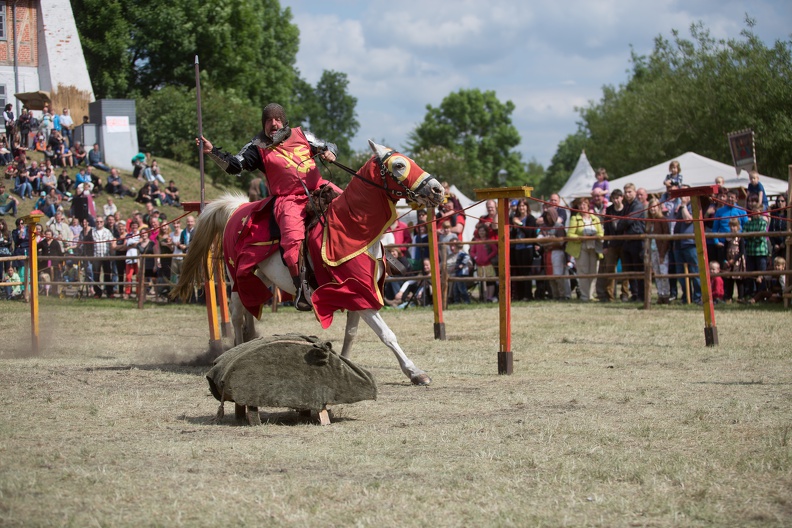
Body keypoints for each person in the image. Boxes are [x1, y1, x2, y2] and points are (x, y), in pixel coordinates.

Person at [198, 104, 339, 310]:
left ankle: (378, 257)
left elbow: (328, 146)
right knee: (292, 240)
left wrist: (330, 153)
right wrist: (212, 152)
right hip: (288, 200)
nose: (274, 124)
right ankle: (302, 288)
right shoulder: (257, 146)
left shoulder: (302, 135)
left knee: (352, 205)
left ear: (284, 121)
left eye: (277, 119)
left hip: (320, 188)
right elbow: (236, 165)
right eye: (268, 120)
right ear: (263, 124)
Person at [566, 196, 603, 302]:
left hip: (594, 246)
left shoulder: (595, 218)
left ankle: (591, 295)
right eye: (580, 204)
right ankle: (584, 296)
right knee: (583, 272)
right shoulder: (575, 218)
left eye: (584, 204)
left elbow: (601, 232)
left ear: (588, 205)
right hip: (581, 246)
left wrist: (596, 236)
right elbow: (570, 234)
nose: (582, 206)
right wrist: (582, 237)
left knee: (593, 271)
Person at [617, 183, 646, 302]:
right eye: (626, 192)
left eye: (629, 192)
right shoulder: (627, 206)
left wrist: (622, 221)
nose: (627, 194)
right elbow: (621, 224)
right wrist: (623, 222)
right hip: (628, 240)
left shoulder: (637, 205)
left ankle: (641, 295)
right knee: (629, 269)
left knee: (638, 269)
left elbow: (629, 220)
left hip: (637, 240)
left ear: (634, 192)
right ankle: (634, 294)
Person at [672, 187, 701, 304]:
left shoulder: (694, 205)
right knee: (681, 274)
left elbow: (688, 219)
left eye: (685, 193)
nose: (682, 196)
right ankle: (686, 296)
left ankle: (698, 297)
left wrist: (683, 205)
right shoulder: (680, 207)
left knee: (695, 272)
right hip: (679, 244)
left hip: (690, 243)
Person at [742, 193, 770, 300]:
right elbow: (744, 235)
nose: (755, 213)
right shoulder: (748, 223)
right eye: (753, 211)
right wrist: (752, 236)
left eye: (757, 211)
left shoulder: (763, 222)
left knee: (761, 274)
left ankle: (761, 294)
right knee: (751, 274)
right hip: (751, 251)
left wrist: (751, 236)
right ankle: (751, 293)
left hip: (761, 252)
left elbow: (761, 237)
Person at [509, 198, 537, 301]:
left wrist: (520, 225)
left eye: (523, 206)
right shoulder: (514, 218)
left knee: (526, 271)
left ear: (527, 207)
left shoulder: (531, 219)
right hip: (517, 248)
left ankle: (527, 295)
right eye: (520, 206)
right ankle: (520, 295)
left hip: (527, 248)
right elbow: (513, 235)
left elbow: (530, 234)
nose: (521, 208)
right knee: (519, 272)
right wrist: (515, 228)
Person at [645, 197, 671, 304]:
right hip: (652, 250)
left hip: (661, 250)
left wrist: (662, 253)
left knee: (663, 273)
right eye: (651, 207)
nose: (653, 209)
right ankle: (660, 294)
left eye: (655, 206)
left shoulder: (662, 220)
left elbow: (666, 238)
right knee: (656, 273)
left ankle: (666, 295)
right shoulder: (648, 222)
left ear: (659, 207)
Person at [470, 224, 498, 302]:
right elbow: (472, 252)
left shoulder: (489, 241)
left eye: (483, 231)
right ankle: (483, 297)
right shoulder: (476, 241)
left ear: (486, 232)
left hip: (488, 264)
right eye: (480, 231)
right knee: (482, 282)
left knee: (490, 281)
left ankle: (490, 297)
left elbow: (495, 250)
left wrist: (488, 257)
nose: (481, 232)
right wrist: (476, 257)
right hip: (479, 265)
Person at [722, 218, 745, 303]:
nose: (733, 228)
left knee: (739, 279)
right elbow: (724, 250)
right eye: (731, 226)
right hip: (728, 260)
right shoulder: (727, 237)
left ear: (738, 227)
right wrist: (726, 260)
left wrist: (734, 260)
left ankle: (740, 297)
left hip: (738, 261)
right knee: (729, 279)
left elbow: (742, 251)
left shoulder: (740, 237)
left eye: (734, 226)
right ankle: (729, 297)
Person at [91, 216, 115, 298]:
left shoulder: (107, 231)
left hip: (106, 256)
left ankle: (109, 292)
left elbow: (112, 242)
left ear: (103, 222)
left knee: (107, 274)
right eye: (97, 221)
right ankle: (97, 293)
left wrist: (112, 254)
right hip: (96, 256)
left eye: (100, 221)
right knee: (96, 275)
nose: (99, 223)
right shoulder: (92, 231)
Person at [769, 194, 789, 259]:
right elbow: (770, 230)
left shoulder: (789, 215)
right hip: (776, 246)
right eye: (778, 201)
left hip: (786, 246)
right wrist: (774, 244)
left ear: (786, 202)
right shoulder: (774, 214)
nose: (780, 203)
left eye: (782, 201)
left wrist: (784, 242)